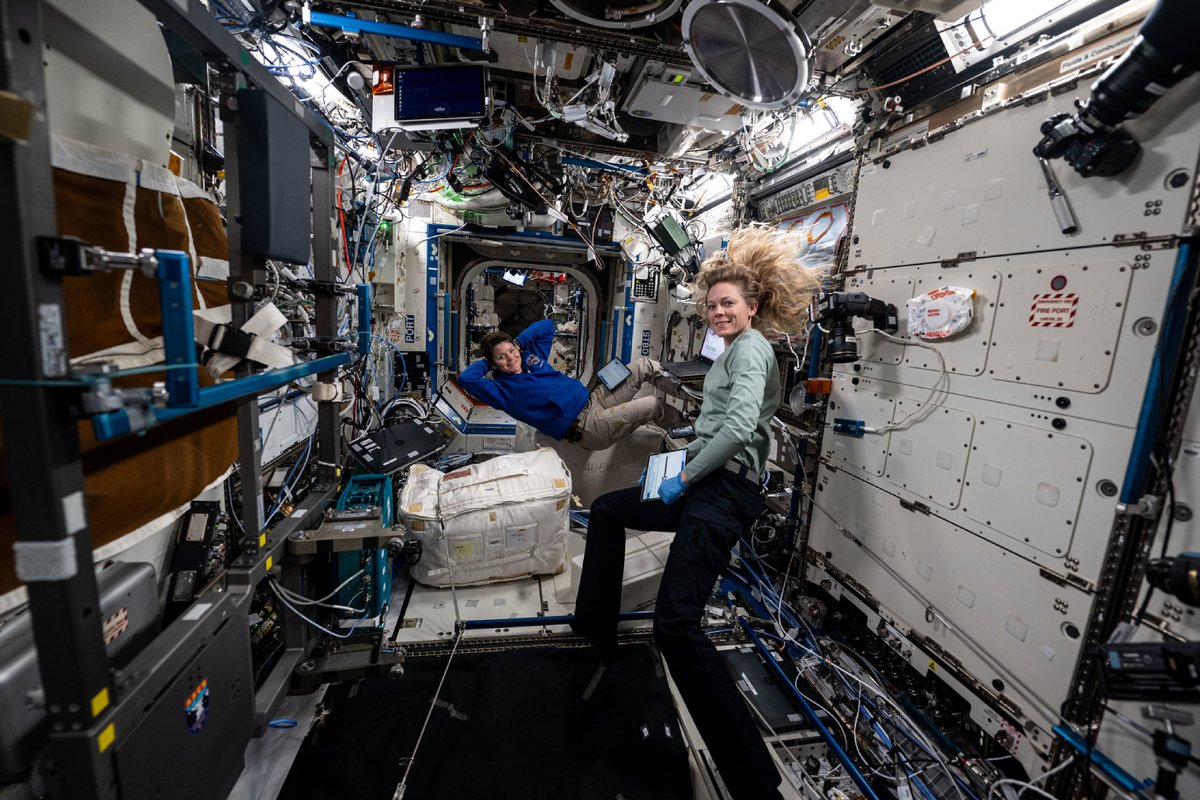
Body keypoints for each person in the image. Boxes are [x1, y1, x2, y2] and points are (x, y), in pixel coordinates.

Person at [571, 226, 821, 800]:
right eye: (710, 306)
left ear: (752, 307)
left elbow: (736, 430)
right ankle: (596, 630)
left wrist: (683, 474)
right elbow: (719, 426)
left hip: (723, 493)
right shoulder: (733, 351)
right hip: (703, 482)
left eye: (727, 304)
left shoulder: (753, 348)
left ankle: (756, 785)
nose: (717, 313)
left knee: (677, 628)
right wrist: (681, 465)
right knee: (609, 511)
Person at [457, 319, 687, 450]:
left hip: (594, 398)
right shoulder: (501, 391)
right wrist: (487, 362)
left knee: (643, 365)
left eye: (511, 351)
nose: (510, 358)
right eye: (501, 357)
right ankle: (698, 435)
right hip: (587, 426)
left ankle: (694, 393)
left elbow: (547, 326)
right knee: (653, 405)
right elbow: (466, 379)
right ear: (493, 364)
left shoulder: (530, 358)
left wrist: (518, 342)